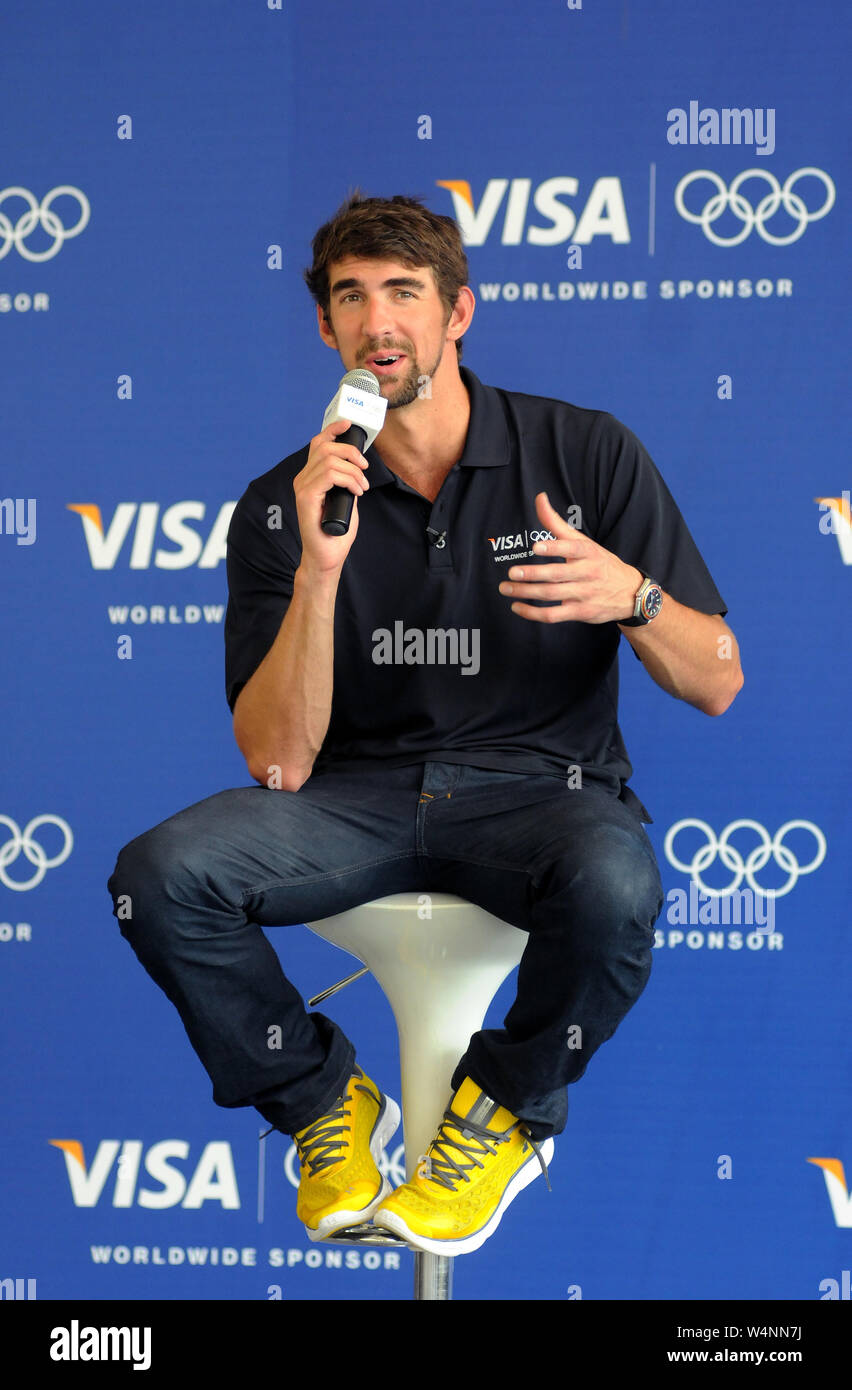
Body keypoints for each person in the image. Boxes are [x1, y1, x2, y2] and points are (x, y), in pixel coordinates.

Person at [108, 191, 743, 1259]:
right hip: (352, 802)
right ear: (326, 328)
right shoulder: (284, 501)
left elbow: (719, 679)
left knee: (620, 881)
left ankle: (504, 1111)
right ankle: (321, 1104)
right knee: (158, 874)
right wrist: (319, 569)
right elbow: (277, 757)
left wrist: (632, 596)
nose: (378, 323)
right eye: (351, 298)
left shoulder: (583, 453)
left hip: (543, 797)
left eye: (404, 293)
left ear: (459, 314)